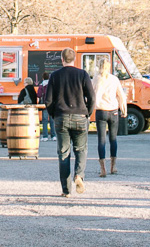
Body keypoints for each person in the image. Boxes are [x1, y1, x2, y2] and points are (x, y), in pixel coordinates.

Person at [43, 47, 95, 198]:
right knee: (81, 149)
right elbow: (91, 97)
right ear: (74, 59)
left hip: (61, 117)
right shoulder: (82, 74)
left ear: (61, 59)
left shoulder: (54, 76)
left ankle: (66, 190)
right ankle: (79, 175)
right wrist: (87, 113)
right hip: (80, 115)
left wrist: (54, 114)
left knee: (64, 153)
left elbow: (48, 100)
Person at [93, 58, 126, 178]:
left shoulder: (96, 79)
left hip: (101, 111)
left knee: (101, 140)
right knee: (113, 138)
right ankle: (114, 166)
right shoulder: (114, 79)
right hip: (113, 111)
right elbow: (121, 95)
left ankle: (103, 169)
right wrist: (124, 108)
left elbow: (91, 94)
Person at [37, 76, 55, 140]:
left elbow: (38, 95)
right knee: (52, 120)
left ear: (43, 78)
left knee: (45, 121)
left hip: (44, 105)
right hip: (52, 104)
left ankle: (45, 136)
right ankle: (53, 135)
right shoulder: (52, 84)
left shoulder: (41, 85)